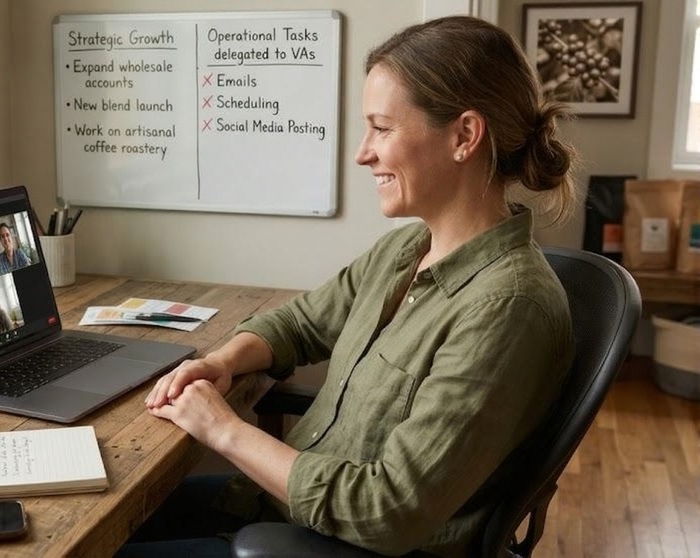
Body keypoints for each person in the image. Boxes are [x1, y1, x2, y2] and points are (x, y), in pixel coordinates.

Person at [119, 16, 580, 558]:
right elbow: (301, 323)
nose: (364, 152)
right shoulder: (407, 249)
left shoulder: (509, 309)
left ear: (464, 136)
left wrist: (224, 432)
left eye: (382, 128)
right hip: (278, 509)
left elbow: (388, 510)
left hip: (334, 544)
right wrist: (226, 360)